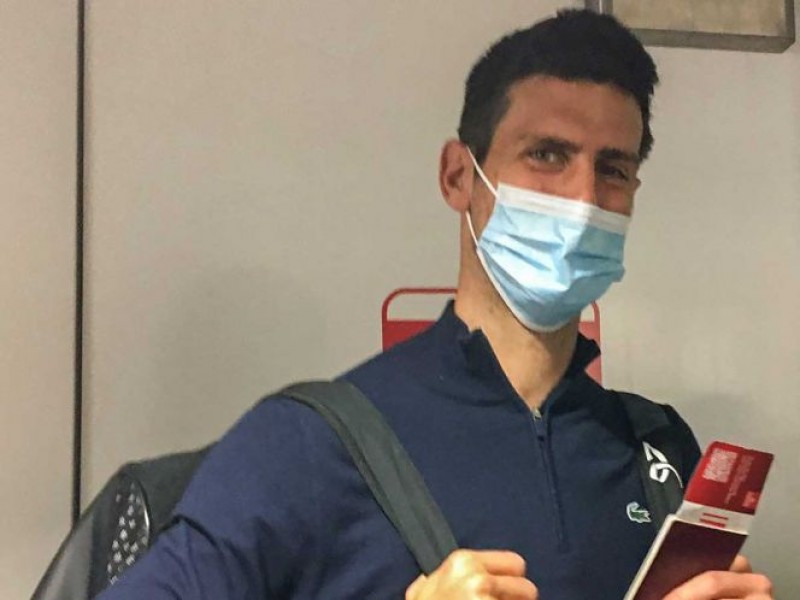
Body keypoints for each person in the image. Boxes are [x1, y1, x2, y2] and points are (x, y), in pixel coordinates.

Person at [98, 9, 773, 600]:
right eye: (546, 154)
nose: (582, 198)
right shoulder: (304, 445)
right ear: (458, 176)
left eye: (613, 169)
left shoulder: (657, 451)